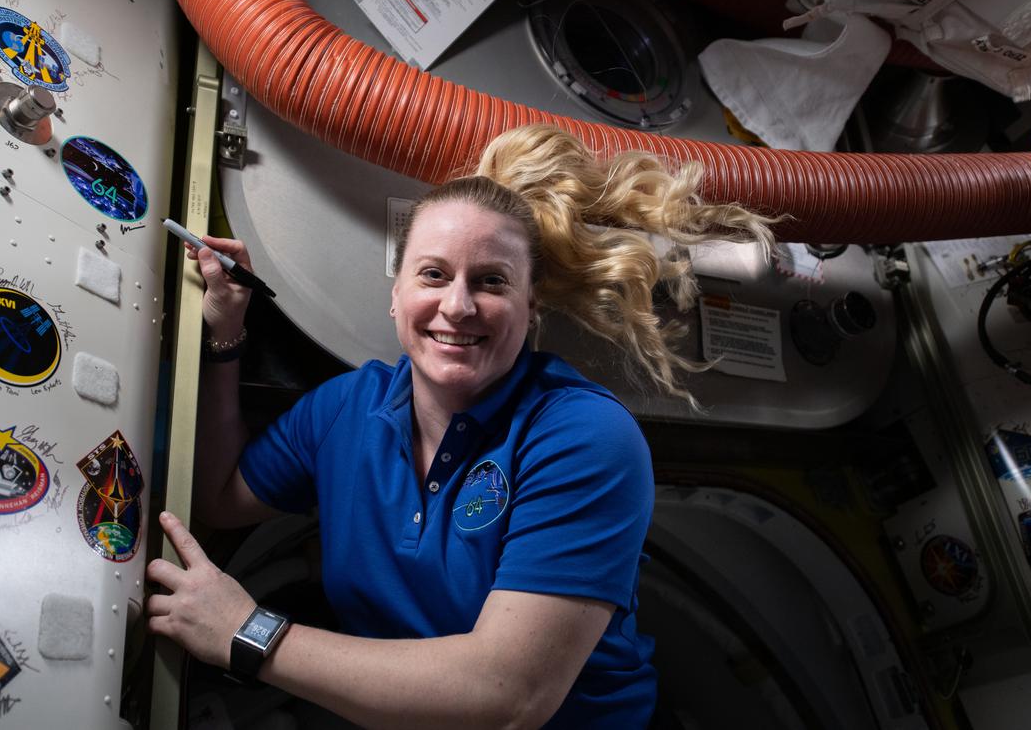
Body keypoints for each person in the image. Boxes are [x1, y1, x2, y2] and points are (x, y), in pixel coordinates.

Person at [146, 124, 774, 728]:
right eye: (434, 274)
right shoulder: (345, 409)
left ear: (530, 310)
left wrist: (247, 632)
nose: (457, 304)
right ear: (396, 295)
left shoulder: (582, 437)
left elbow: (508, 697)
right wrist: (226, 338)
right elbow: (220, 499)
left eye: (492, 282)